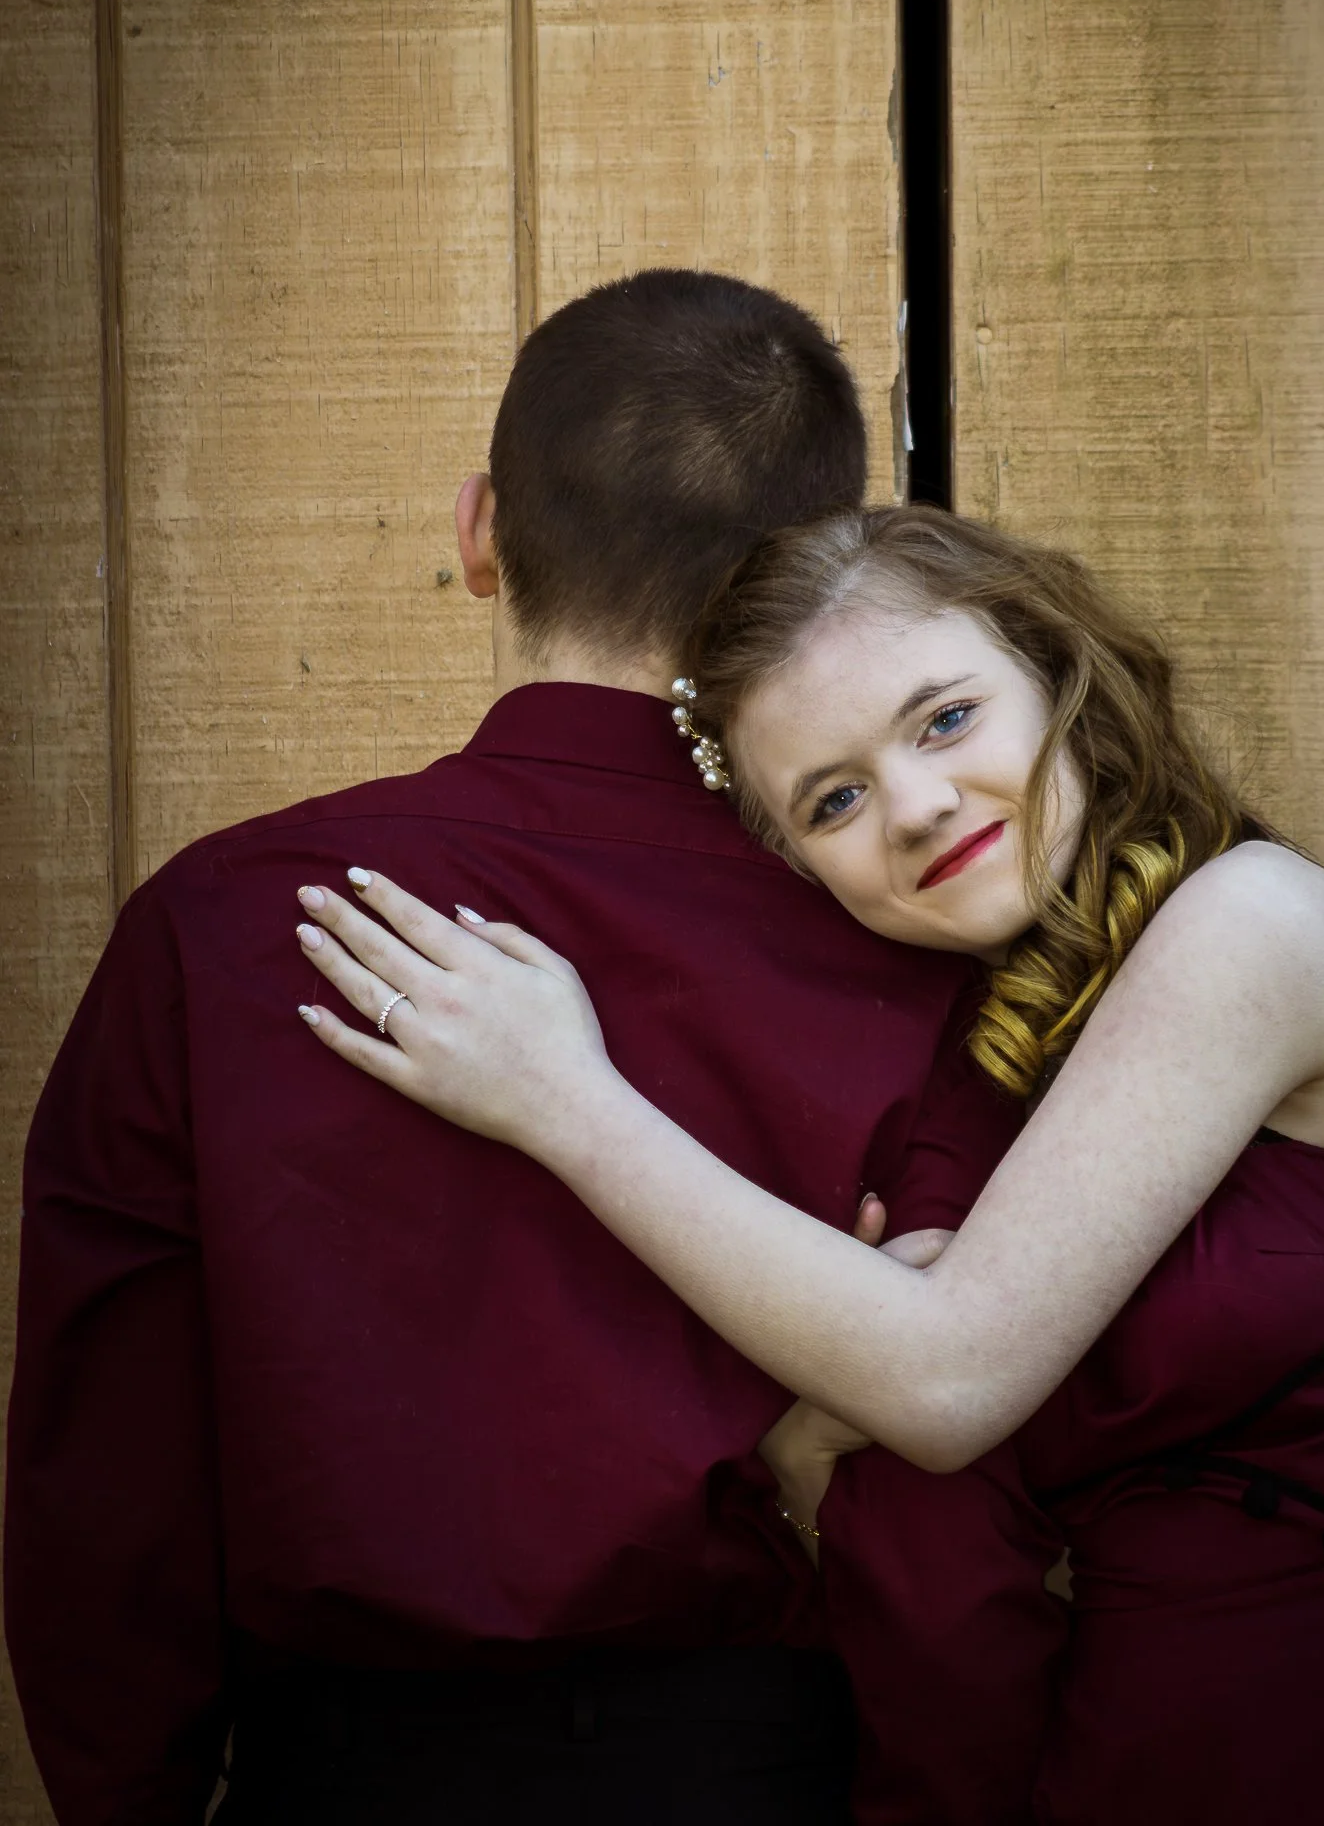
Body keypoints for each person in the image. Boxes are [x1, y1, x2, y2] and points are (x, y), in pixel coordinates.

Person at [297, 502, 1324, 1823]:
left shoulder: (1253, 922)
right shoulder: (976, 1081)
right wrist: (821, 1413)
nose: (919, 808)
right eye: (833, 800)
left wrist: (560, 1098)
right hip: (1136, 1758)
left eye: (943, 719)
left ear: (1058, 674)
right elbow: (901, 1441)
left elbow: (946, 1375)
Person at [6, 284, 1067, 1826]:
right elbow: (937, 1527)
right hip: (767, 1766)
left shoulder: (223, 927)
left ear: (479, 529)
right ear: (797, 578)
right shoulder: (906, 941)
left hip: (342, 1777)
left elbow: (110, 1482)